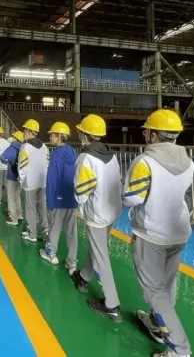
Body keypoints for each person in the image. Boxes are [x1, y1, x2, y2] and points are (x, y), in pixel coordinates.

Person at [123, 109, 194, 357]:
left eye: (147, 131)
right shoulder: (189, 162)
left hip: (151, 233)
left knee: (154, 292)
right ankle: (156, 324)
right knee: (167, 283)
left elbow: (132, 198)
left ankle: (180, 350)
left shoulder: (145, 162)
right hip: (178, 232)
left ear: (153, 135)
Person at [70, 114, 123, 322]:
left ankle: (112, 305)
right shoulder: (111, 155)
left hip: (96, 215)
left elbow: (81, 191)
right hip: (111, 212)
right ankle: (83, 277)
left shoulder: (86, 158)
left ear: (84, 134)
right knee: (98, 249)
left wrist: (81, 205)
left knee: (101, 256)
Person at [39, 122, 78, 270]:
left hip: (58, 198)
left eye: (53, 134)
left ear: (60, 136)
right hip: (72, 198)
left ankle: (51, 254)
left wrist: (50, 200)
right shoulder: (73, 153)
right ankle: (72, 261)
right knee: (71, 231)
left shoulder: (56, 154)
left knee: (54, 227)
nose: (50, 136)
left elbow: (52, 179)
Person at [18, 119, 49, 243]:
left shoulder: (25, 147)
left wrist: (22, 181)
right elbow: (47, 164)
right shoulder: (45, 147)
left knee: (30, 208)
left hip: (29, 183)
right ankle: (46, 230)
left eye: (25, 131)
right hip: (43, 182)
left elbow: (22, 167)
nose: (24, 133)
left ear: (30, 132)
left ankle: (32, 234)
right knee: (42, 207)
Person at [0, 131, 25, 225]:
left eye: (13, 137)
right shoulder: (24, 148)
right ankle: (20, 214)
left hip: (12, 176)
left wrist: (7, 163)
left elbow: (2, 157)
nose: (11, 138)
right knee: (17, 195)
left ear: (16, 139)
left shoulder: (11, 148)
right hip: (21, 177)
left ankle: (13, 218)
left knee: (11, 197)